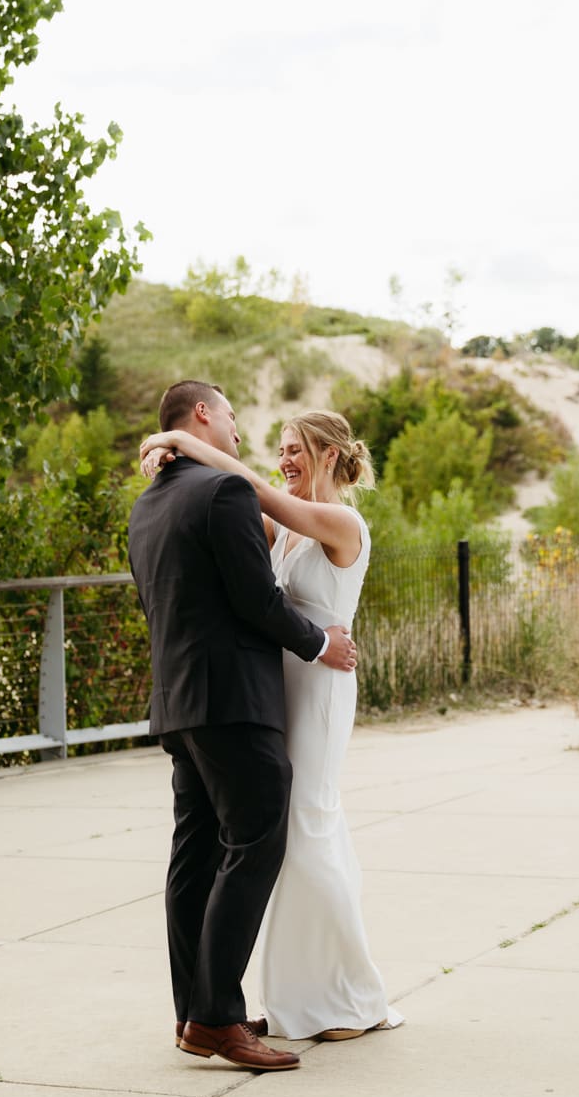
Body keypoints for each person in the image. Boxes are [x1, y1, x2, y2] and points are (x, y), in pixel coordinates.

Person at [140, 408, 403, 1042]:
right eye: (281, 449)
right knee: (289, 839)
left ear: (333, 458)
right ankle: (298, 1003)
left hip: (319, 686)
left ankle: (345, 1000)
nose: (284, 461)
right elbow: (219, 508)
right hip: (276, 687)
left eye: (297, 451)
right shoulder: (280, 529)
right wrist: (166, 463)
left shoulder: (340, 523)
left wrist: (178, 438)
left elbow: (245, 487)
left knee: (307, 827)